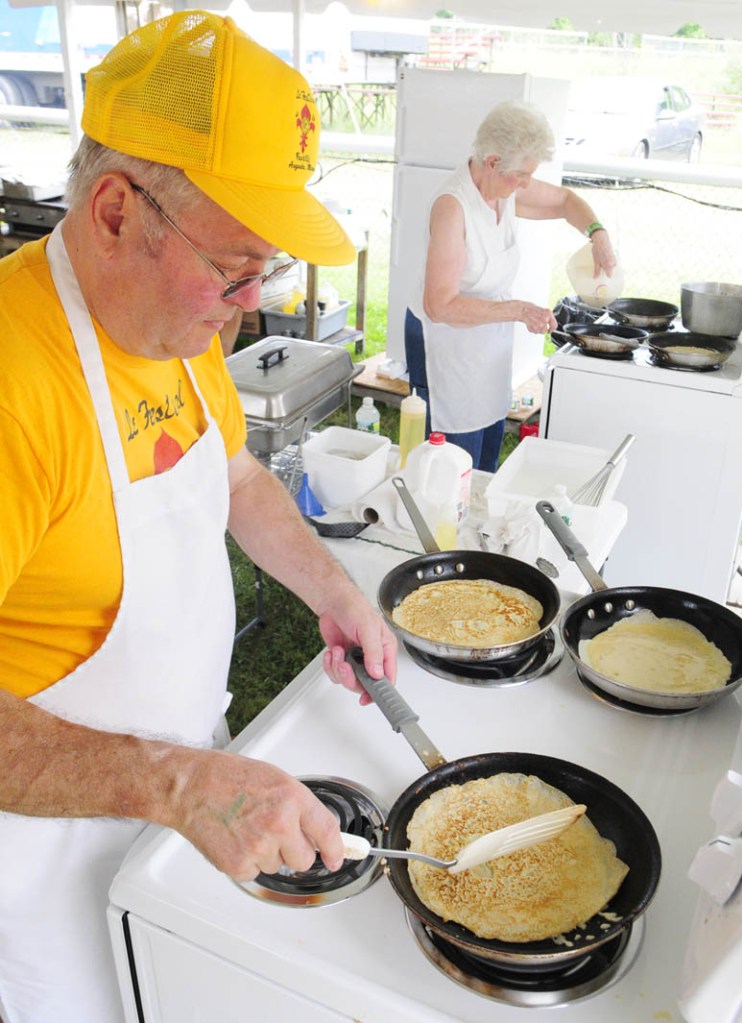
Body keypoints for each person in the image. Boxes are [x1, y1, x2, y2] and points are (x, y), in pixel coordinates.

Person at [0, 11, 397, 1023]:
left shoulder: (169, 327)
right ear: (117, 210)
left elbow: (233, 477)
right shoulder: (14, 384)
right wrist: (177, 785)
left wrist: (334, 587)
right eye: (235, 272)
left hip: (184, 789)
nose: (252, 306)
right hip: (41, 858)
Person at [404, 101, 618, 472]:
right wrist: (519, 310)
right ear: (492, 162)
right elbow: (440, 305)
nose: (525, 184)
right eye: (521, 175)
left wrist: (597, 233)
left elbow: (566, 201)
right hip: (445, 344)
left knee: (485, 459)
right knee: (452, 466)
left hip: (485, 341)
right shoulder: (452, 206)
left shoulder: (506, 185)